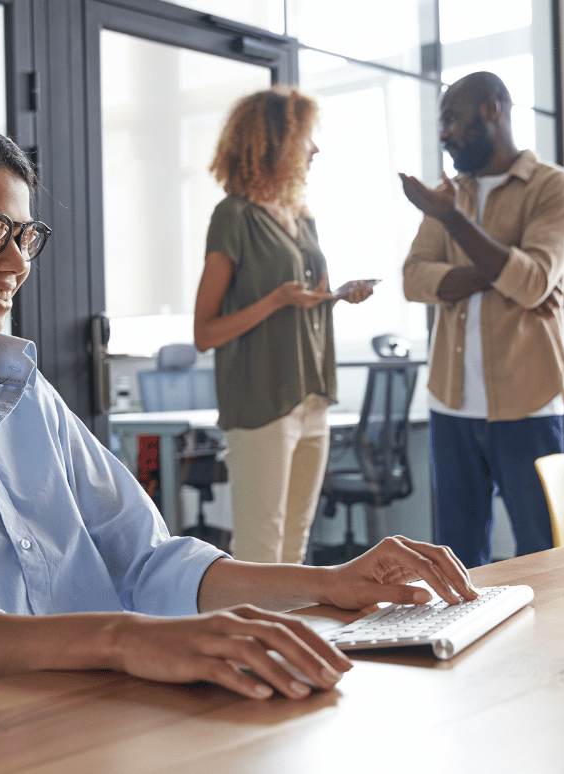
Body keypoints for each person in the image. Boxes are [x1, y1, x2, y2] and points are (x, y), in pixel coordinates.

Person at [0, 104, 474, 712]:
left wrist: (328, 582)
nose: (17, 263)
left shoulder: (20, 390)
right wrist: (127, 639)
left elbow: (147, 560)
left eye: (24, 235)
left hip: (115, 713)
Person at [399, 72, 564, 567]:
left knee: (542, 552)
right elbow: (414, 279)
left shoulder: (554, 187)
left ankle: (550, 647)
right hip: (451, 403)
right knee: (456, 559)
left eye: (452, 120)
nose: (443, 134)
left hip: (529, 401)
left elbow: (533, 282)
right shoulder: (449, 193)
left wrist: (455, 223)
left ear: (491, 110)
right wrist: (500, 267)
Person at [193, 88, 373, 564]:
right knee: (260, 547)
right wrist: (275, 300)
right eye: (305, 139)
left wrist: (335, 297)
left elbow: (306, 301)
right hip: (261, 400)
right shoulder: (232, 217)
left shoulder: (302, 218)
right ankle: (250, 641)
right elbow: (204, 332)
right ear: (273, 143)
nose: (314, 150)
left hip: (311, 395)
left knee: (296, 543)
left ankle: (289, 638)